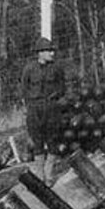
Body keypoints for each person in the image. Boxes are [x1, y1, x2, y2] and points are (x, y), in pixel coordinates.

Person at [21, 36, 67, 184]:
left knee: (53, 139)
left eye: (52, 50)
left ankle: (49, 172)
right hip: (34, 109)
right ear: (40, 53)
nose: (52, 53)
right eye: (48, 51)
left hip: (52, 108)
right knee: (37, 141)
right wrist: (28, 107)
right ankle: (40, 175)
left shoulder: (57, 68)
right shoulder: (29, 68)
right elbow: (23, 88)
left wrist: (55, 98)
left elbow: (62, 87)